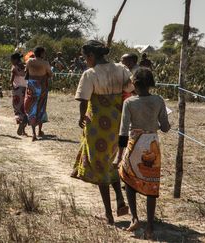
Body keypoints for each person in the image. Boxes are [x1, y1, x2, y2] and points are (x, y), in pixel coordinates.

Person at [71, 40, 133, 224]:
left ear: (91, 56)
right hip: (117, 120)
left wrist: (82, 117)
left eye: (85, 58)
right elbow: (130, 88)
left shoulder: (90, 74)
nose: (85, 61)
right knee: (113, 160)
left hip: (97, 123)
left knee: (100, 164)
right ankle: (120, 199)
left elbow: (83, 99)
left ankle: (108, 214)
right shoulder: (121, 68)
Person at [116, 68, 170, 239]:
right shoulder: (158, 100)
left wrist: (119, 155)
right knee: (151, 184)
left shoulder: (129, 102)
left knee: (128, 178)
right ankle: (150, 227)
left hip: (134, 144)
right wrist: (160, 125)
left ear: (135, 83)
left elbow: (123, 131)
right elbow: (165, 127)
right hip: (152, 144)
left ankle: (134, 218)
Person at [24, 46, 53, 141]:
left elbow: (26, 71)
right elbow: (50, 74)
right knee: (41, 108)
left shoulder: (29, 61)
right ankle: (39, 130)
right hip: (42, 87)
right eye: (44, 53)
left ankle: (33, 133)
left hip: (31, 87)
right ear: (41, 53)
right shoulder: (45, 63)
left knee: (32, 108)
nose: (44, 54)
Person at [10, 53, 28, 136]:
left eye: (12, 60)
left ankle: (21, 123)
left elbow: (11, 79)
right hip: (25, 89)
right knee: (24, 108)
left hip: (17, 90)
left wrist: (11, 85)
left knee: (17, 108)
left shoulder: (14, 67)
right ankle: (23, 129)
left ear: (16, 59)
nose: (11, 62)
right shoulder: (25, 66)